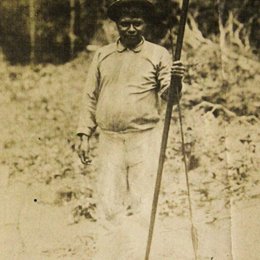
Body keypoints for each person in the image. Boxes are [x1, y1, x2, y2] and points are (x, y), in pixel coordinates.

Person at [76, 0, 186, 259]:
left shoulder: (159, 54)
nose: (131, 29)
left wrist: (177, 80)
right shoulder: (102, 55)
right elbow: (89, 96)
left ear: (146, 23)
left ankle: (140, 255)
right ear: (116, 25)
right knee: (108, 205)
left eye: (138, 23)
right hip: (110, 140)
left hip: (144, 140)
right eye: (125, 23)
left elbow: (170, 96)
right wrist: (84, 134)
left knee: (142, 204)